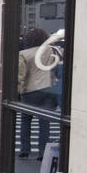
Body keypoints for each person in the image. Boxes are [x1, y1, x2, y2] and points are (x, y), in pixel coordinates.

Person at [17, 27, 55, 157]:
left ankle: (25, 150)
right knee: (44, 122)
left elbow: (20, 76)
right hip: (48, 89)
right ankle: (43, 153)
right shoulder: (50, 51)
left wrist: (18, 91)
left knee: (26, 120)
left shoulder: (24, 54)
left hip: (30, 90)